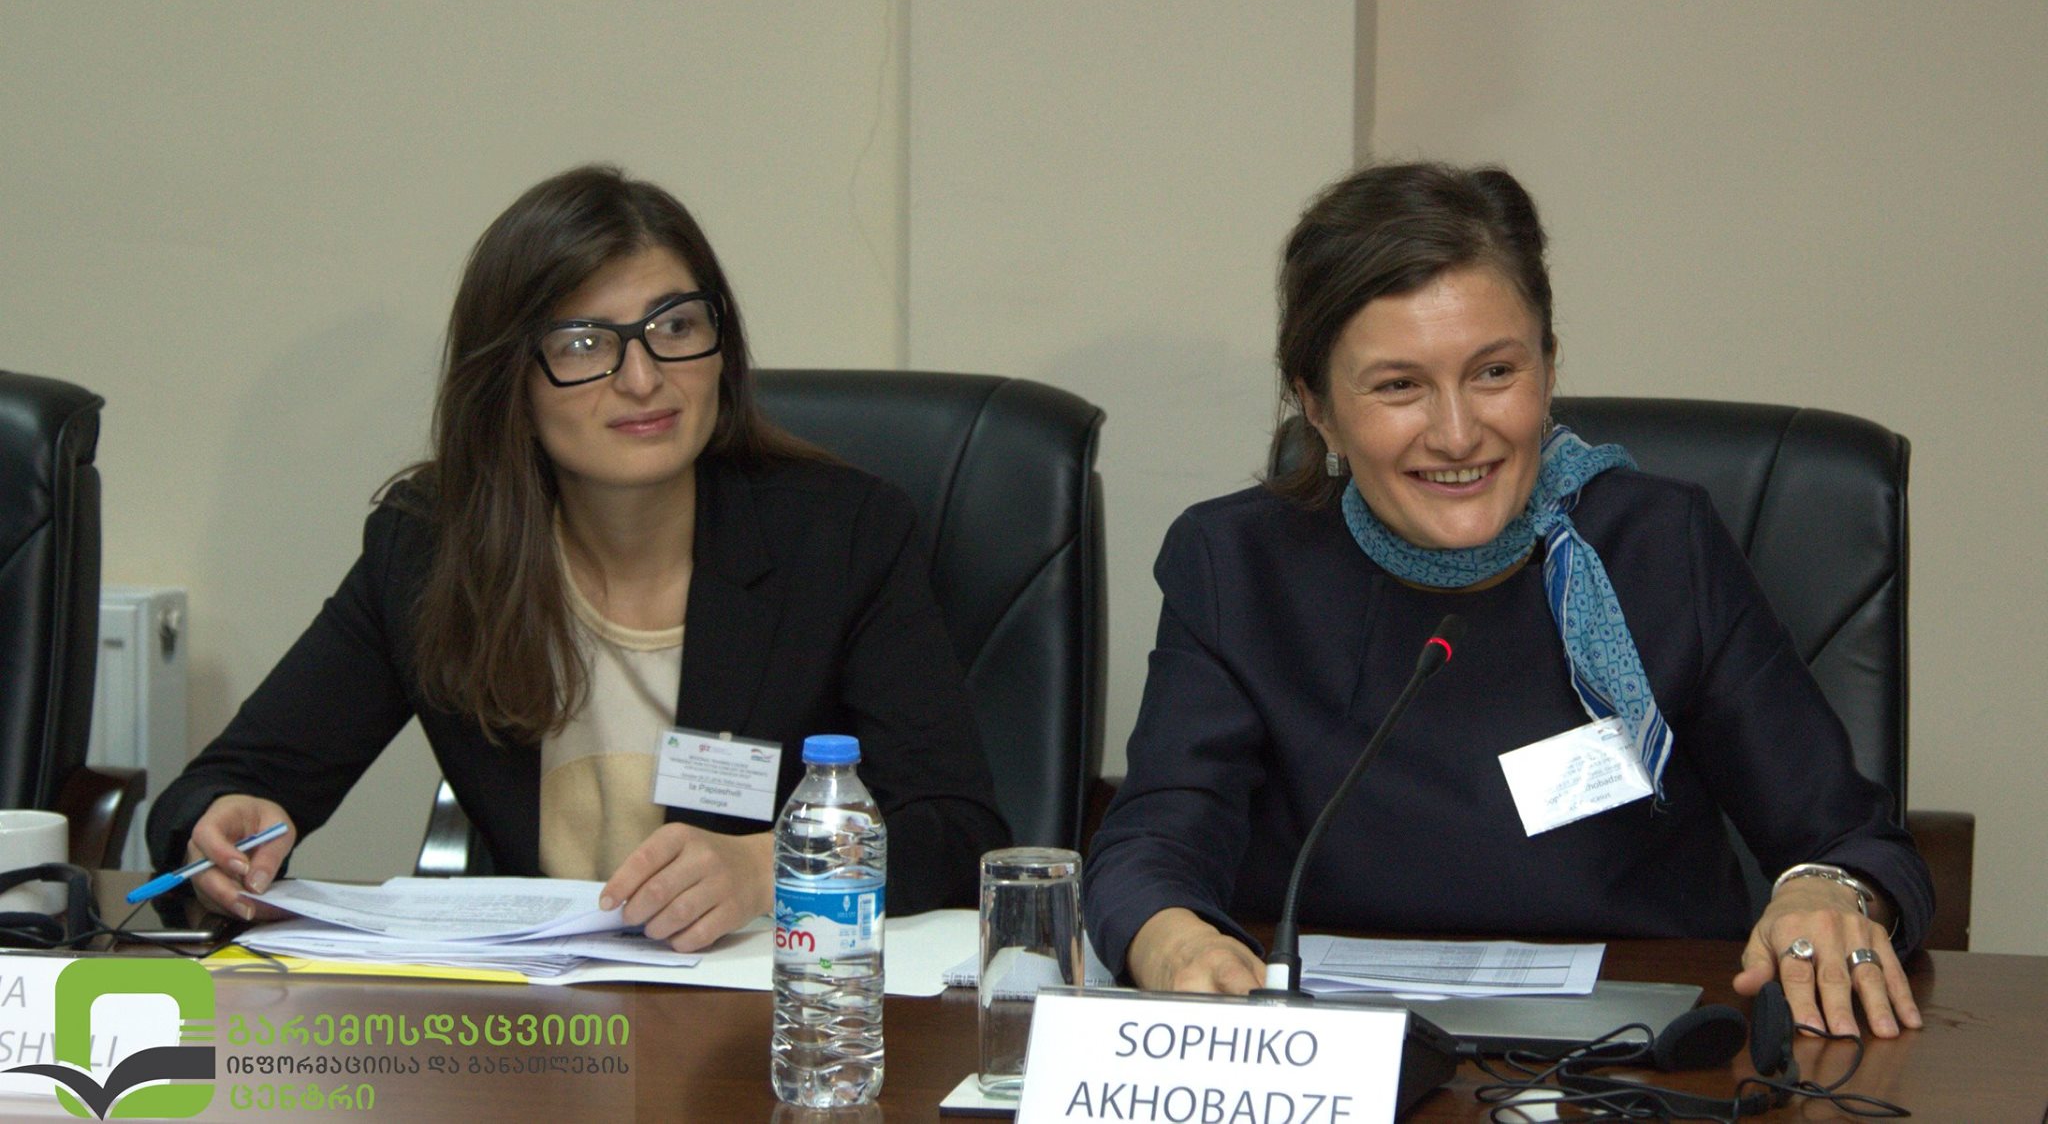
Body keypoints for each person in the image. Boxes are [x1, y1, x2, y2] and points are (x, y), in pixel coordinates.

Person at [1084, 161, 1930, 1039]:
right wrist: (1171, 937)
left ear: (1548, 369)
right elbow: (1151, 849)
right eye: (1399, 385)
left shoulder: (1658, 548)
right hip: (1331, 1059)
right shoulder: (1237, 567)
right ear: (1318, 407)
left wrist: (1827, 895)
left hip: (1637, 1064)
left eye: (1493, 371)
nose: (1457, 434)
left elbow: (1855, 845)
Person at [149, 164, 1008, 948]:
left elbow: (958, 830)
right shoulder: (434, 547)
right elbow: (228, 784)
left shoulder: (839, 535)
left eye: (676, 325)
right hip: (538, 1021)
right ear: (509, 384)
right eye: (584, 343)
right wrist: (221, 825)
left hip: (771, 1007)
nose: (643, 378)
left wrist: (767, 868)